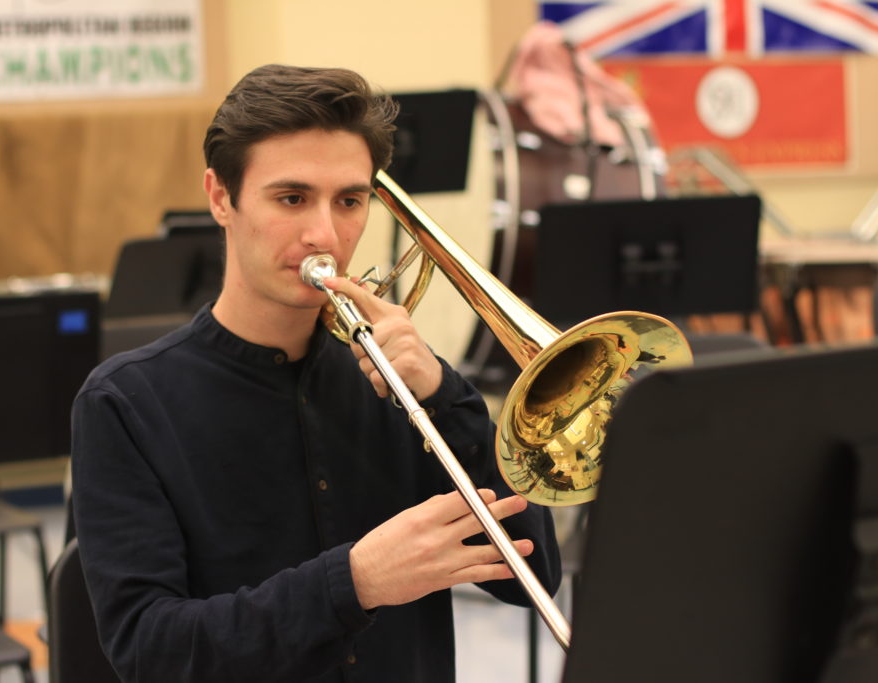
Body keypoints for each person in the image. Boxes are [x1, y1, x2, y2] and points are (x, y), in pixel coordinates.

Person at [71, 63, 561, 683]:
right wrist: (354, 583)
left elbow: (534, 575)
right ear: (222, 197)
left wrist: (445, 395)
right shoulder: (125, 402)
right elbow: (151, 652)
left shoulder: (403, 388)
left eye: (350, 201)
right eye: (292, 198)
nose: (324, 234)